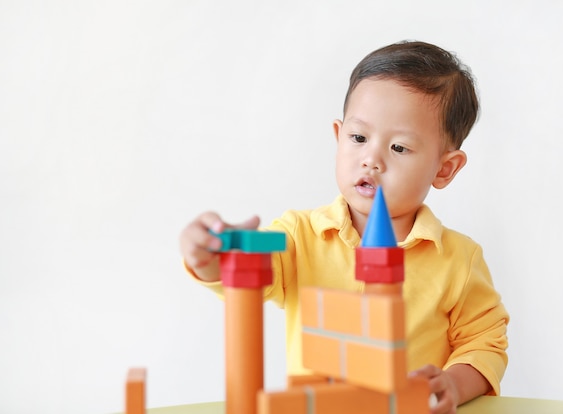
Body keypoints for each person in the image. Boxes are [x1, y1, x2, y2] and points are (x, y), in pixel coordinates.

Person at [179, 40, 509, 414]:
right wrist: (210, 254)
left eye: (399, 148)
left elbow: (485, 344)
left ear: (444, 168)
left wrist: (453, 382)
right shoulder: (300, 235)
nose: (371, 159)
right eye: (359, 138)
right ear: (339, 137)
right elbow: (245, 276)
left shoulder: (458, 260)